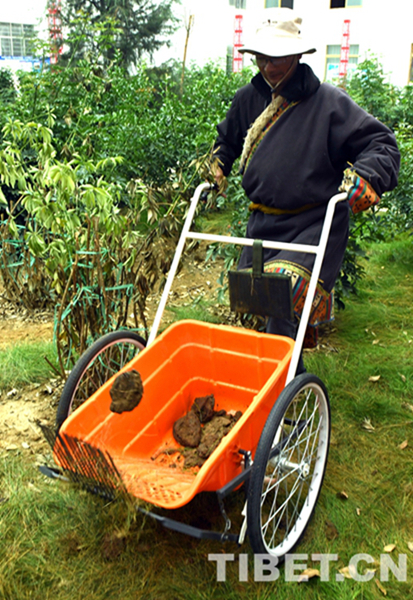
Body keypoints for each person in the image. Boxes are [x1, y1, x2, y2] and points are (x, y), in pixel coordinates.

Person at [213, 9, 400, 373]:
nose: (269, 67)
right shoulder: (248, 99)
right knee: (257, 303)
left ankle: (287, 393)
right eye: (262, 57)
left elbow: (381, 143)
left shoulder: (328, 102)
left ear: (298, 55)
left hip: (312, 223)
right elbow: (228, 141)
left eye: (278, 58)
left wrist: (367, 176)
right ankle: (280, 383)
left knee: (282, 299)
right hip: (262, 225)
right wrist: (218, 165)